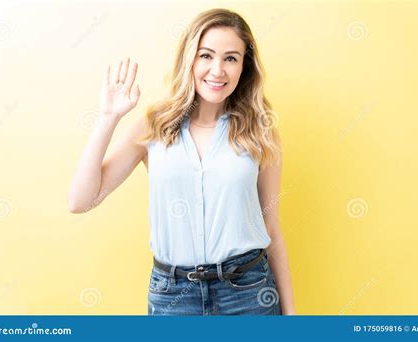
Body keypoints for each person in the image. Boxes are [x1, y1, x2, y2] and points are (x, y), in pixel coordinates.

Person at [68, 8, 295, 315]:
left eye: (231, 58)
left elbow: (272, 228)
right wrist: (108, 118)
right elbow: (80, 201)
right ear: (189, 58)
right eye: (206, 55)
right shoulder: (153, 126)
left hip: (247, 292)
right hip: (173, 296)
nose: (217, 70)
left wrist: (292, 318)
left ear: (244, 67)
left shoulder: (260, 129)